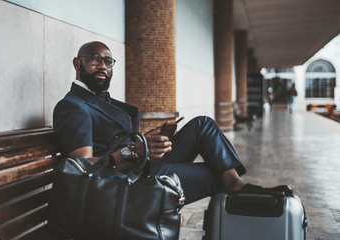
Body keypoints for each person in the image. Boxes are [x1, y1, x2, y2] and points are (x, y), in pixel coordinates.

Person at [53, 41, 266, 205]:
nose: (102, 65)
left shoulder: (102, 102)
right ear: (77, 63)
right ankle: (228, 200)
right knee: (214, 175)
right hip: (120, 183)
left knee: (203, 124)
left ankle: (235, 182)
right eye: (94, 58)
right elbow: (80, 168)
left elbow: (118, 142)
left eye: (107, 61)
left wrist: (145, 141)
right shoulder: (73, 106)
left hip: (140, 167)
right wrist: (134, 151)